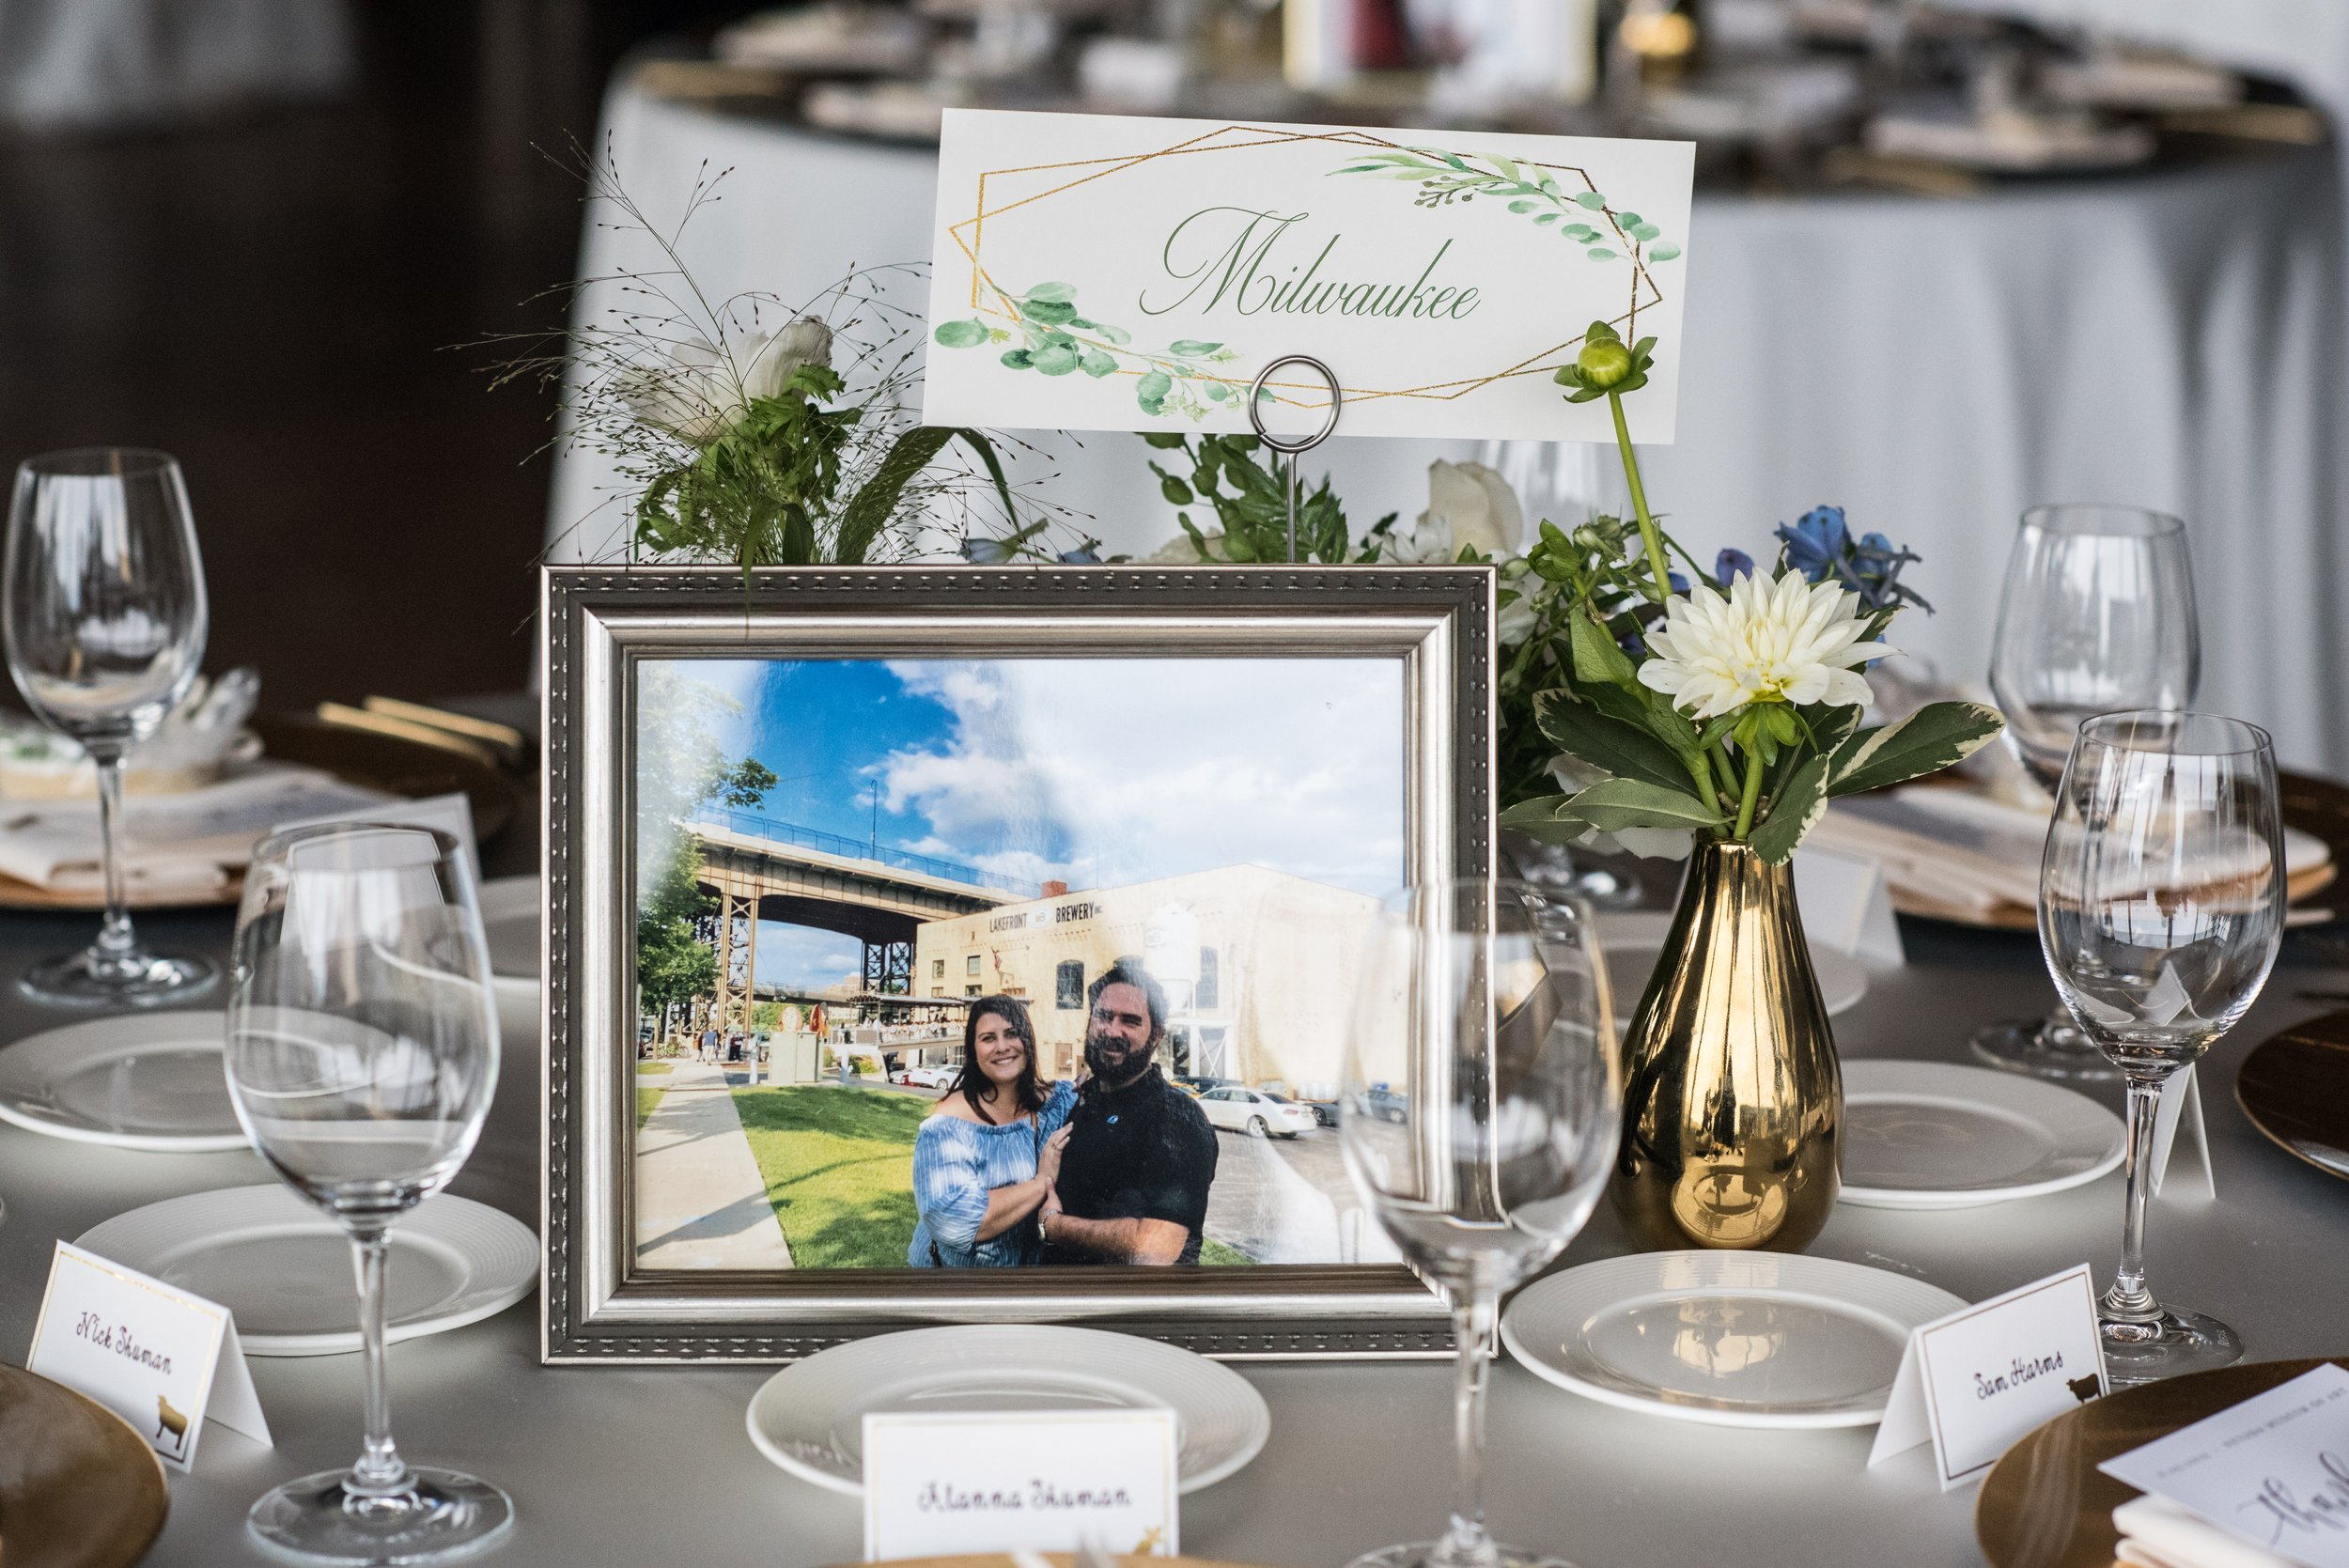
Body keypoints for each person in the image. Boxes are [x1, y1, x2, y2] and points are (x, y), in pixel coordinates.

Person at [1038, 963, 1218, 1266]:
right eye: (1104, 1016)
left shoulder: (1177, 1117)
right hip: (1063, 1303)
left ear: (1156, 1035)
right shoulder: (1088, 1098)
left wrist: (1053, 1226)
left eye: (1130, 1021)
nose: (1112, 1030)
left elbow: (1155, 1247)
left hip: (1127, 1310)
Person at [908, 996, 1076, 1267]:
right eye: (988, 1038)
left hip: (1028, 1287)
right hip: (960, 1288)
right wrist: (1040, 1182)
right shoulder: (946, 1126)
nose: (1002, 1047)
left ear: (1028, 1041)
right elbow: (955, 1220)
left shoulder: (1059, 1103)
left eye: (1012, 1034)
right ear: (973, 1050)